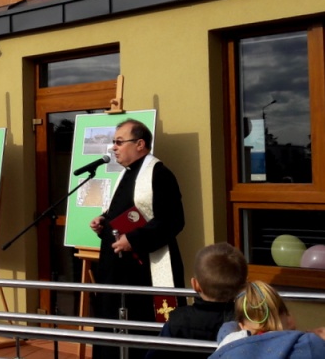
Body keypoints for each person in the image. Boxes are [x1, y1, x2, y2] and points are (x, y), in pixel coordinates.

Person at [89, 119, 186, 359]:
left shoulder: (159, 174)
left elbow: (173, 220)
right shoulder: (127, 174)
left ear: (140, 144)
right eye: (114, 142)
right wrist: (104, 220)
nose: (114, 148)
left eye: (119, 142)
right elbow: (127, 212)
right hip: (118, 268)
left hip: (145, 270)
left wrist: (133, 239)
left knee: (141, 331)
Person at [211, 281, 325, 358]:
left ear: (241, 325)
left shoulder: (229, 346)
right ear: (288, 317)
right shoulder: (308, 345)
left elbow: (227, 327)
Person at [146, 242, 247, 359]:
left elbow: (154, 355)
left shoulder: (178, 321)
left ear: (195, 284)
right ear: (242, 287)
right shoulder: (246, 322)